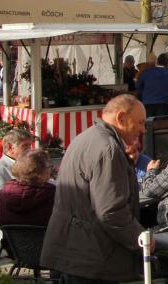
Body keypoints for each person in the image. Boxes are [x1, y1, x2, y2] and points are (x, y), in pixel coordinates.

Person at [42, 95, 149, 282]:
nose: (143, 129)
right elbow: (110, 212)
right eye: (140, 122)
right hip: (92, 258)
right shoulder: (108, 149)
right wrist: (141, 240)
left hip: (76, 252)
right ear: (121, 118)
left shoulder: (88, 137)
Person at [0, 149, 55, 227]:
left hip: (12, 239)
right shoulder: (52, 194)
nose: (50, 169)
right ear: (41, 171)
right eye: (49, 166)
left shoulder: (3, 194)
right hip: (45, 238)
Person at [0, 128, 35, 213]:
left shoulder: (31, 165)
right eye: (25, 146)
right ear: (10, 147)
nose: (30, 150)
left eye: (30, 145)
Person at [136, 53, 168, 117]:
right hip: (163, 105)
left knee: (148, 125)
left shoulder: (146, 72)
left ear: (157, 61)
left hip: (147, 104)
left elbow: (138, 86)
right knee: (161, 125)